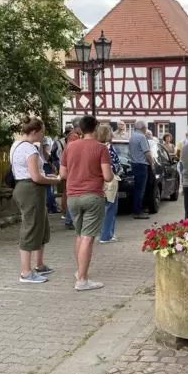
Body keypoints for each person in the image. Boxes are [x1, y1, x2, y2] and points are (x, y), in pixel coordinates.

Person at [60, 115, 113, 291]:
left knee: (80, 234)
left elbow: (63, 173)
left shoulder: (70, 146)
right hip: (92, 196)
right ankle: (82, 280)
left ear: (80, 129)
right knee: (88, 238)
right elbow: (107, 176)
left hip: (72, 197)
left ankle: (79, 271)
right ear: (96, 127)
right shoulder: (101, 148)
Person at [10, 117, 60, 283]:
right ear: (33, 132)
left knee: (41, 225)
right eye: (41, 132)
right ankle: (26, 272)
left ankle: (39, 264)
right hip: (30, 189)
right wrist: (56, 180)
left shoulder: (15, 146)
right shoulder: (29, 150)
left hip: (25, 187)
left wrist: (48, 176)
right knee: (31, 228)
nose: (43, 135)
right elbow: (36, 177)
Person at [98, 124, 122, 243]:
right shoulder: (109, 147)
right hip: (109, 180)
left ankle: (107, 233)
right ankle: (106, 235)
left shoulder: (96, 146)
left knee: (103, 208)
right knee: (110, 207)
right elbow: (114, 164)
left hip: (97, 180)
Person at [128, 121, 152, 220]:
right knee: (141, 189)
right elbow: (147, 153)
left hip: (134, 164)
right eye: (145, 127)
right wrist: (152, 163)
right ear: (143, 127)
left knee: (137, 188)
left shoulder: (132, 136)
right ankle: (138, 211)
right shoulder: (142, 137)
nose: (146, 129)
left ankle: (137, 208)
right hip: (142, 165)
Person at [63, 118, 82, 230]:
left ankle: (70, 220)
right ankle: (70, 220)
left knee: (73, 194)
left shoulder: (72, 136)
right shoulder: (74, 137)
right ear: (77, 127)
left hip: (71, 169)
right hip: (73, 170)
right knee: (74, 194)